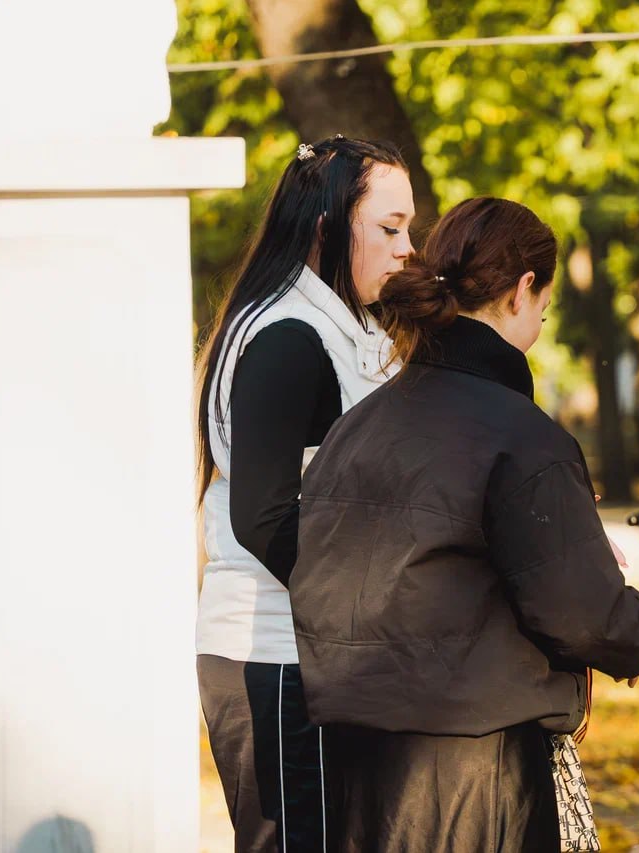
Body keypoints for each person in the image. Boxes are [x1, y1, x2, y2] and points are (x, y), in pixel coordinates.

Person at [288, 196, 639, 852]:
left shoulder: (355, 429)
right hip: (480, 769)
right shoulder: (521, 435)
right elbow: (584, 614)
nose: (544, 314)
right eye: (545, 301)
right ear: (523, 291)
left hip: (352, 766)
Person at [194, 136, 416, 851]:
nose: (408, 247)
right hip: (277, 657)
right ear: (326, 229)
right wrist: (369, 607)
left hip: (313, 655)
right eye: (390, 228)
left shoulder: (335, 324)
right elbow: (262, 516)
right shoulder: (288, 335)